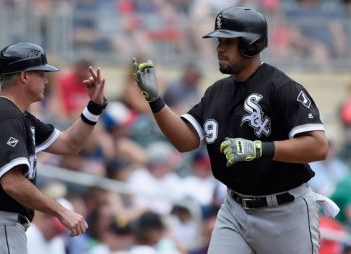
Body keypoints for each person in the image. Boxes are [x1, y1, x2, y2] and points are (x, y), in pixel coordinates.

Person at [133, 6, 339, 254]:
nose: (219, 47)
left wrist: (259, 148)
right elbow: (185, 141)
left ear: (251, 45)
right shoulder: (217, 92)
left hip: (285, 212)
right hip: (235, 209)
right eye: (219, 40)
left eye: (227, 41)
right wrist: (156, 101)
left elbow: (318, 146)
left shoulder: (282, 87)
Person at [0, 41, 108, 254]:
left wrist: (95, 106)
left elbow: (69, 144)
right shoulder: (7, 117)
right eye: (41, 73)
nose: (46, 80)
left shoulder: (12, 115)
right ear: (24, 76)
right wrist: (61, 211)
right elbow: (12, 183)